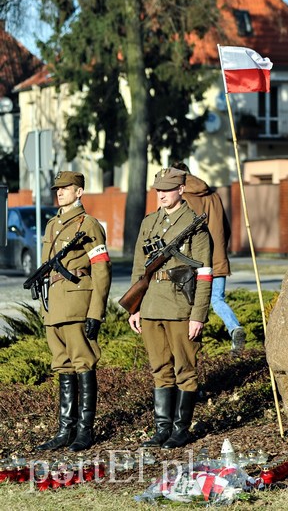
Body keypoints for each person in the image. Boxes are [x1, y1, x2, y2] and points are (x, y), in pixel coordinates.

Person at [128, 167, 212, 449]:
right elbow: (139, 269)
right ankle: (162, 429)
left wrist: (198, 315)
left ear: (181, 190)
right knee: (159, 369)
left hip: (180, 307)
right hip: (151, 305)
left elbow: (204, 274)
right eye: (158, 190)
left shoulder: (195, 225)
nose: (161, 195)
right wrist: (134, 307)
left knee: (185, 370)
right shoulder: (149, 222)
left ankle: (180, 429)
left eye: (167, 189)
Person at [35, 171, 111, 452]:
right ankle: (64, 430)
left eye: (66, 188)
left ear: (80, 192)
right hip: (54, 305)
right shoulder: (52, 224)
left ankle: (84, 431)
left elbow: (102, 269)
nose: (60, 192)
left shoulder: (88, 225)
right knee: (63, 366)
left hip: (78, 303)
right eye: (58, 188)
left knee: (83, 364)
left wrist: (95, 312)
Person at [171, 162, 245, 354]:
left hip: (193, 261)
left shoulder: (182, 198)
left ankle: (193, 349)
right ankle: (234, 328)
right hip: (218, 258)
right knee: (217, 299)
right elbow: (226, 229)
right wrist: (220, 249)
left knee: (190, 304)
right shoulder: (214, 195)